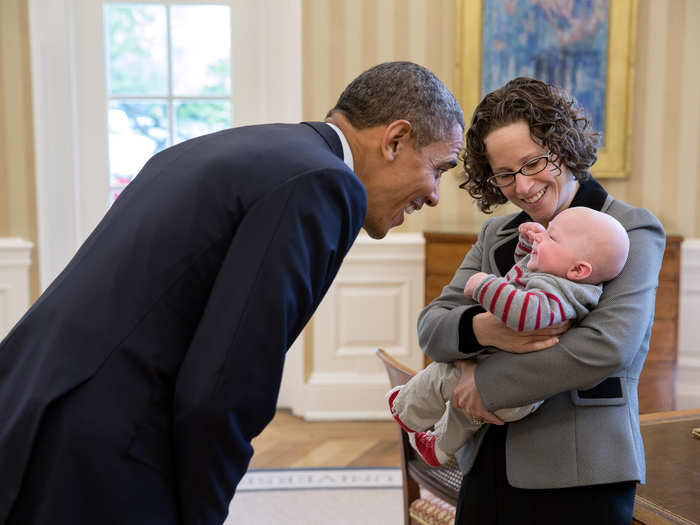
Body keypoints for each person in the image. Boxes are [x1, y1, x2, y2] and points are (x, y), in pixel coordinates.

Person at [0, 61, 464, 525]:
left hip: (33, 398)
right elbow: (228, 382)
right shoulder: (324, 183)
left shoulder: (240, 149)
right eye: (439, 168)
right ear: (396, 139)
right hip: (103, 445)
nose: (436, 195)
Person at [417, 77, 665, 524]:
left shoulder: (630, 231)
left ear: (563, 147)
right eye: (506, 174)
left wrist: (485, 382)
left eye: (533, 163)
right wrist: (482, 329)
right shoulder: (497, 234)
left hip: (582, 470)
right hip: (487, 466)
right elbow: (432, 325)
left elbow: (607, 347)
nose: (523, 186)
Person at [387, 206, 629, 467]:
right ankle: (440, 448)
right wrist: (527, 246)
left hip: (512, 389)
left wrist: (484, 285)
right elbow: (522, 273)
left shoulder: (559, 291)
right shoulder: (560, 275)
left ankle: (405, 411)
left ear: (579, 270)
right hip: (512, 394)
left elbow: (525, 313)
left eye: (551, 238)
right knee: (462, 413)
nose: (541, 236)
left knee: (443, 375)